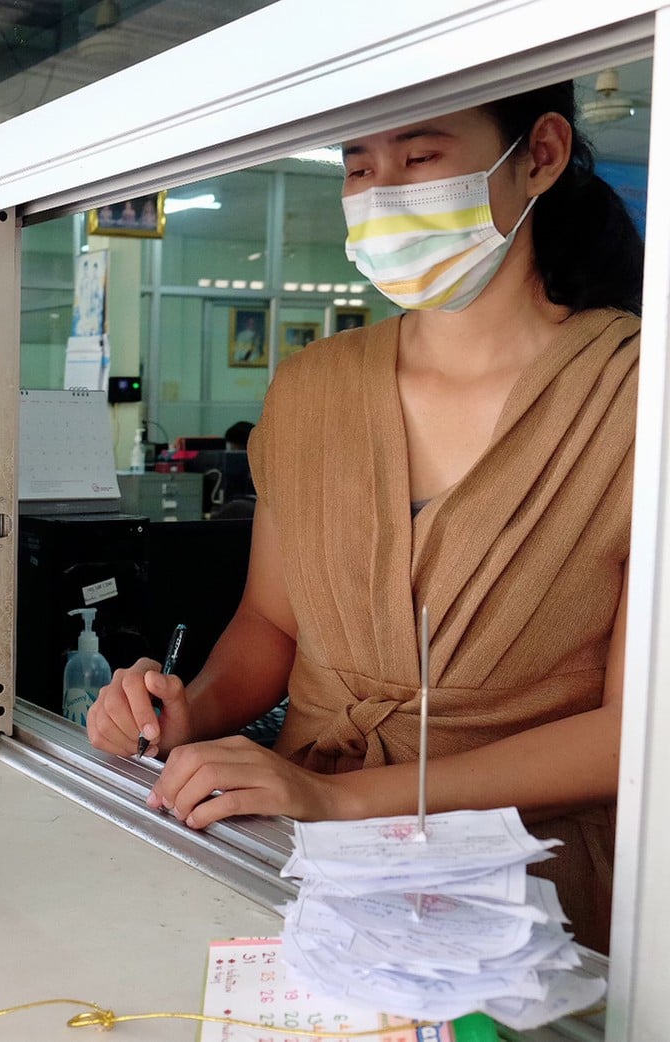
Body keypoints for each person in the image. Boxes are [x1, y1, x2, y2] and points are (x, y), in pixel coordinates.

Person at [86, 82, 640, 953]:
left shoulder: (635, 396)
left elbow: (634, 733)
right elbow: (272, 624)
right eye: (357, 166)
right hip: (294, 857)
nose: (382, 192)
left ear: (539, 155)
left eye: (420, 158)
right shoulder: (314, 389)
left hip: (523, 893)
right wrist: (185, 714)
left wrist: (345, 799)